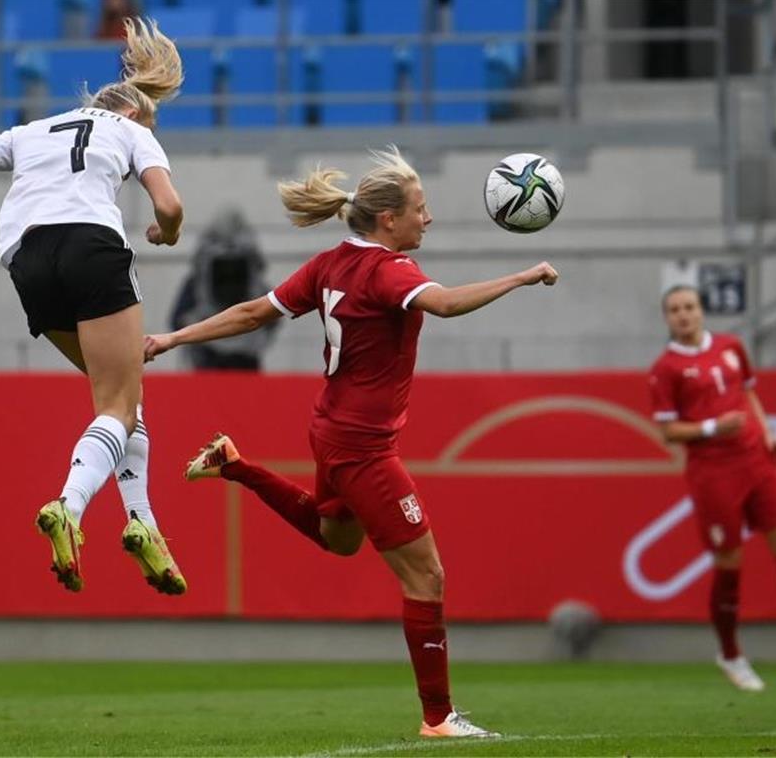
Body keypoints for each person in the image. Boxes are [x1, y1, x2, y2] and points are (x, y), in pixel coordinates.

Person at [144, 146, 558, 737]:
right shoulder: (390, 271)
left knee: (336, 539)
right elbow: (443, 305)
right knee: (428, 578)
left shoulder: (331, 263)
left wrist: (172, 337)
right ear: (388, 219)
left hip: (331, 430)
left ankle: (235, 465)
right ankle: (439, 719)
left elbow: (253, 313)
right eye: (421, 207)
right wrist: (521, 275)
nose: (428, 218)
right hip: (363, 446)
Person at [0, 17, 187, 596]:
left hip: (26, 259)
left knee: (126, 398)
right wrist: (166, 233)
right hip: (90, 245)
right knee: (116, 402)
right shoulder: (133, 131)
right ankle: (69, 506)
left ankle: (143, 522)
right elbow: (171, 205)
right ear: (134, 112)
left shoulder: (33, 129)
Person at [648, 286, 776, 691]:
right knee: (729, 563)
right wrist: (711, 428)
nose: (684, 315)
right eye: (675, 310)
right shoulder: (665, 368)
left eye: (690, 307)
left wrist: (767, 430)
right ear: (667, 318)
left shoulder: (731, 346)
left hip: (757, 461)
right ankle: (731, 655)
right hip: (714, 472)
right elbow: (668, 430)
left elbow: (748, 391)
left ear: (702, 311)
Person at [168, 207, 279, 370]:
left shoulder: (196, 280)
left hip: (207, 354)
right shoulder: (255, 276)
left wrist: (194, 333)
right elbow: (275, 313)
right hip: (247, 355)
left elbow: (176, 319)